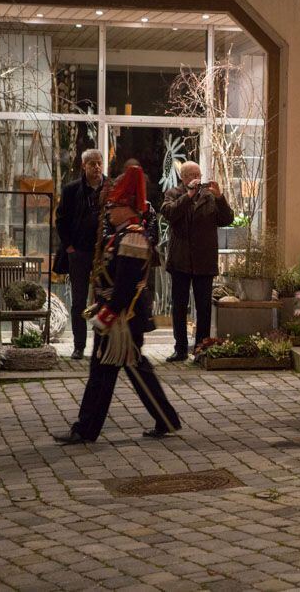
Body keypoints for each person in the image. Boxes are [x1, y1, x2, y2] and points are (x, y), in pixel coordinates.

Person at [52, 166, 181, 444]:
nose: (108, 211)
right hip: (118, 317)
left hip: (123, 318)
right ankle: (165, 418)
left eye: (113, 206)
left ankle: (86, 429)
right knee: (127, 370)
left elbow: (124, 285)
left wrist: (107, 315)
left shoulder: (132, 236)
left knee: (105, 372)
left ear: (127, 208)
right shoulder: (120, 235)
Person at [160, 161, 234, 362]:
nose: (196, 178)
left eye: (198, 174)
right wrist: (188, 196)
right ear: (183, 177)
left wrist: (220, 198)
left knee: (203, 307)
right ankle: (180, 348)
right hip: (181, 260)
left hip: (204, 260)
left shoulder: (210, 197)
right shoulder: (173, 194)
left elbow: (227, 220)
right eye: (192, 174)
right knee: (179, 306)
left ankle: (201, 348)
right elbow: (169, 213)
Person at [55, 148, 106, 360]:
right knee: (78, 301)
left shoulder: (111, 188)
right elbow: (61, 219)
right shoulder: (71, 190)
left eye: (99, 163)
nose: (96, 167)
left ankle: (102, 345)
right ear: (83, 166)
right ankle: (78, 346)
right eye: (92, 163)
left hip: (104, 254)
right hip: (79, 252)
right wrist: (69, 247)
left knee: (104, 299)